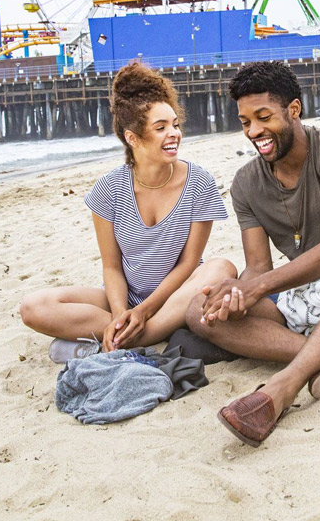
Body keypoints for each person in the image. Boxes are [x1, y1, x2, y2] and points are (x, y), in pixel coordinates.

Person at [185, 61, 320, 446]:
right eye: (245, 122)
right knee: (198, 310)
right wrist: (236, 294)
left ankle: (283, 388)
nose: (254, 131)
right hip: (303, 298)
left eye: (263, 117)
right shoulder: (245, 183)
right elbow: (257, 268)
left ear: (294, 110)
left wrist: (258, 287)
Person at [20, 62, 235, 361]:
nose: (174, 133)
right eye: (161, 128)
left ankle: (138, 336)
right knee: (33, 307)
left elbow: (188, 264)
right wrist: (122, 312)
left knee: (222, 267)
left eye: (175, 124)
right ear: (132, 137)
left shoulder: (199, 182)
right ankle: (127, 332)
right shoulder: (108, 190)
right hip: (127, 297)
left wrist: (145, 311)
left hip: (179, 295)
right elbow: (111, 267)